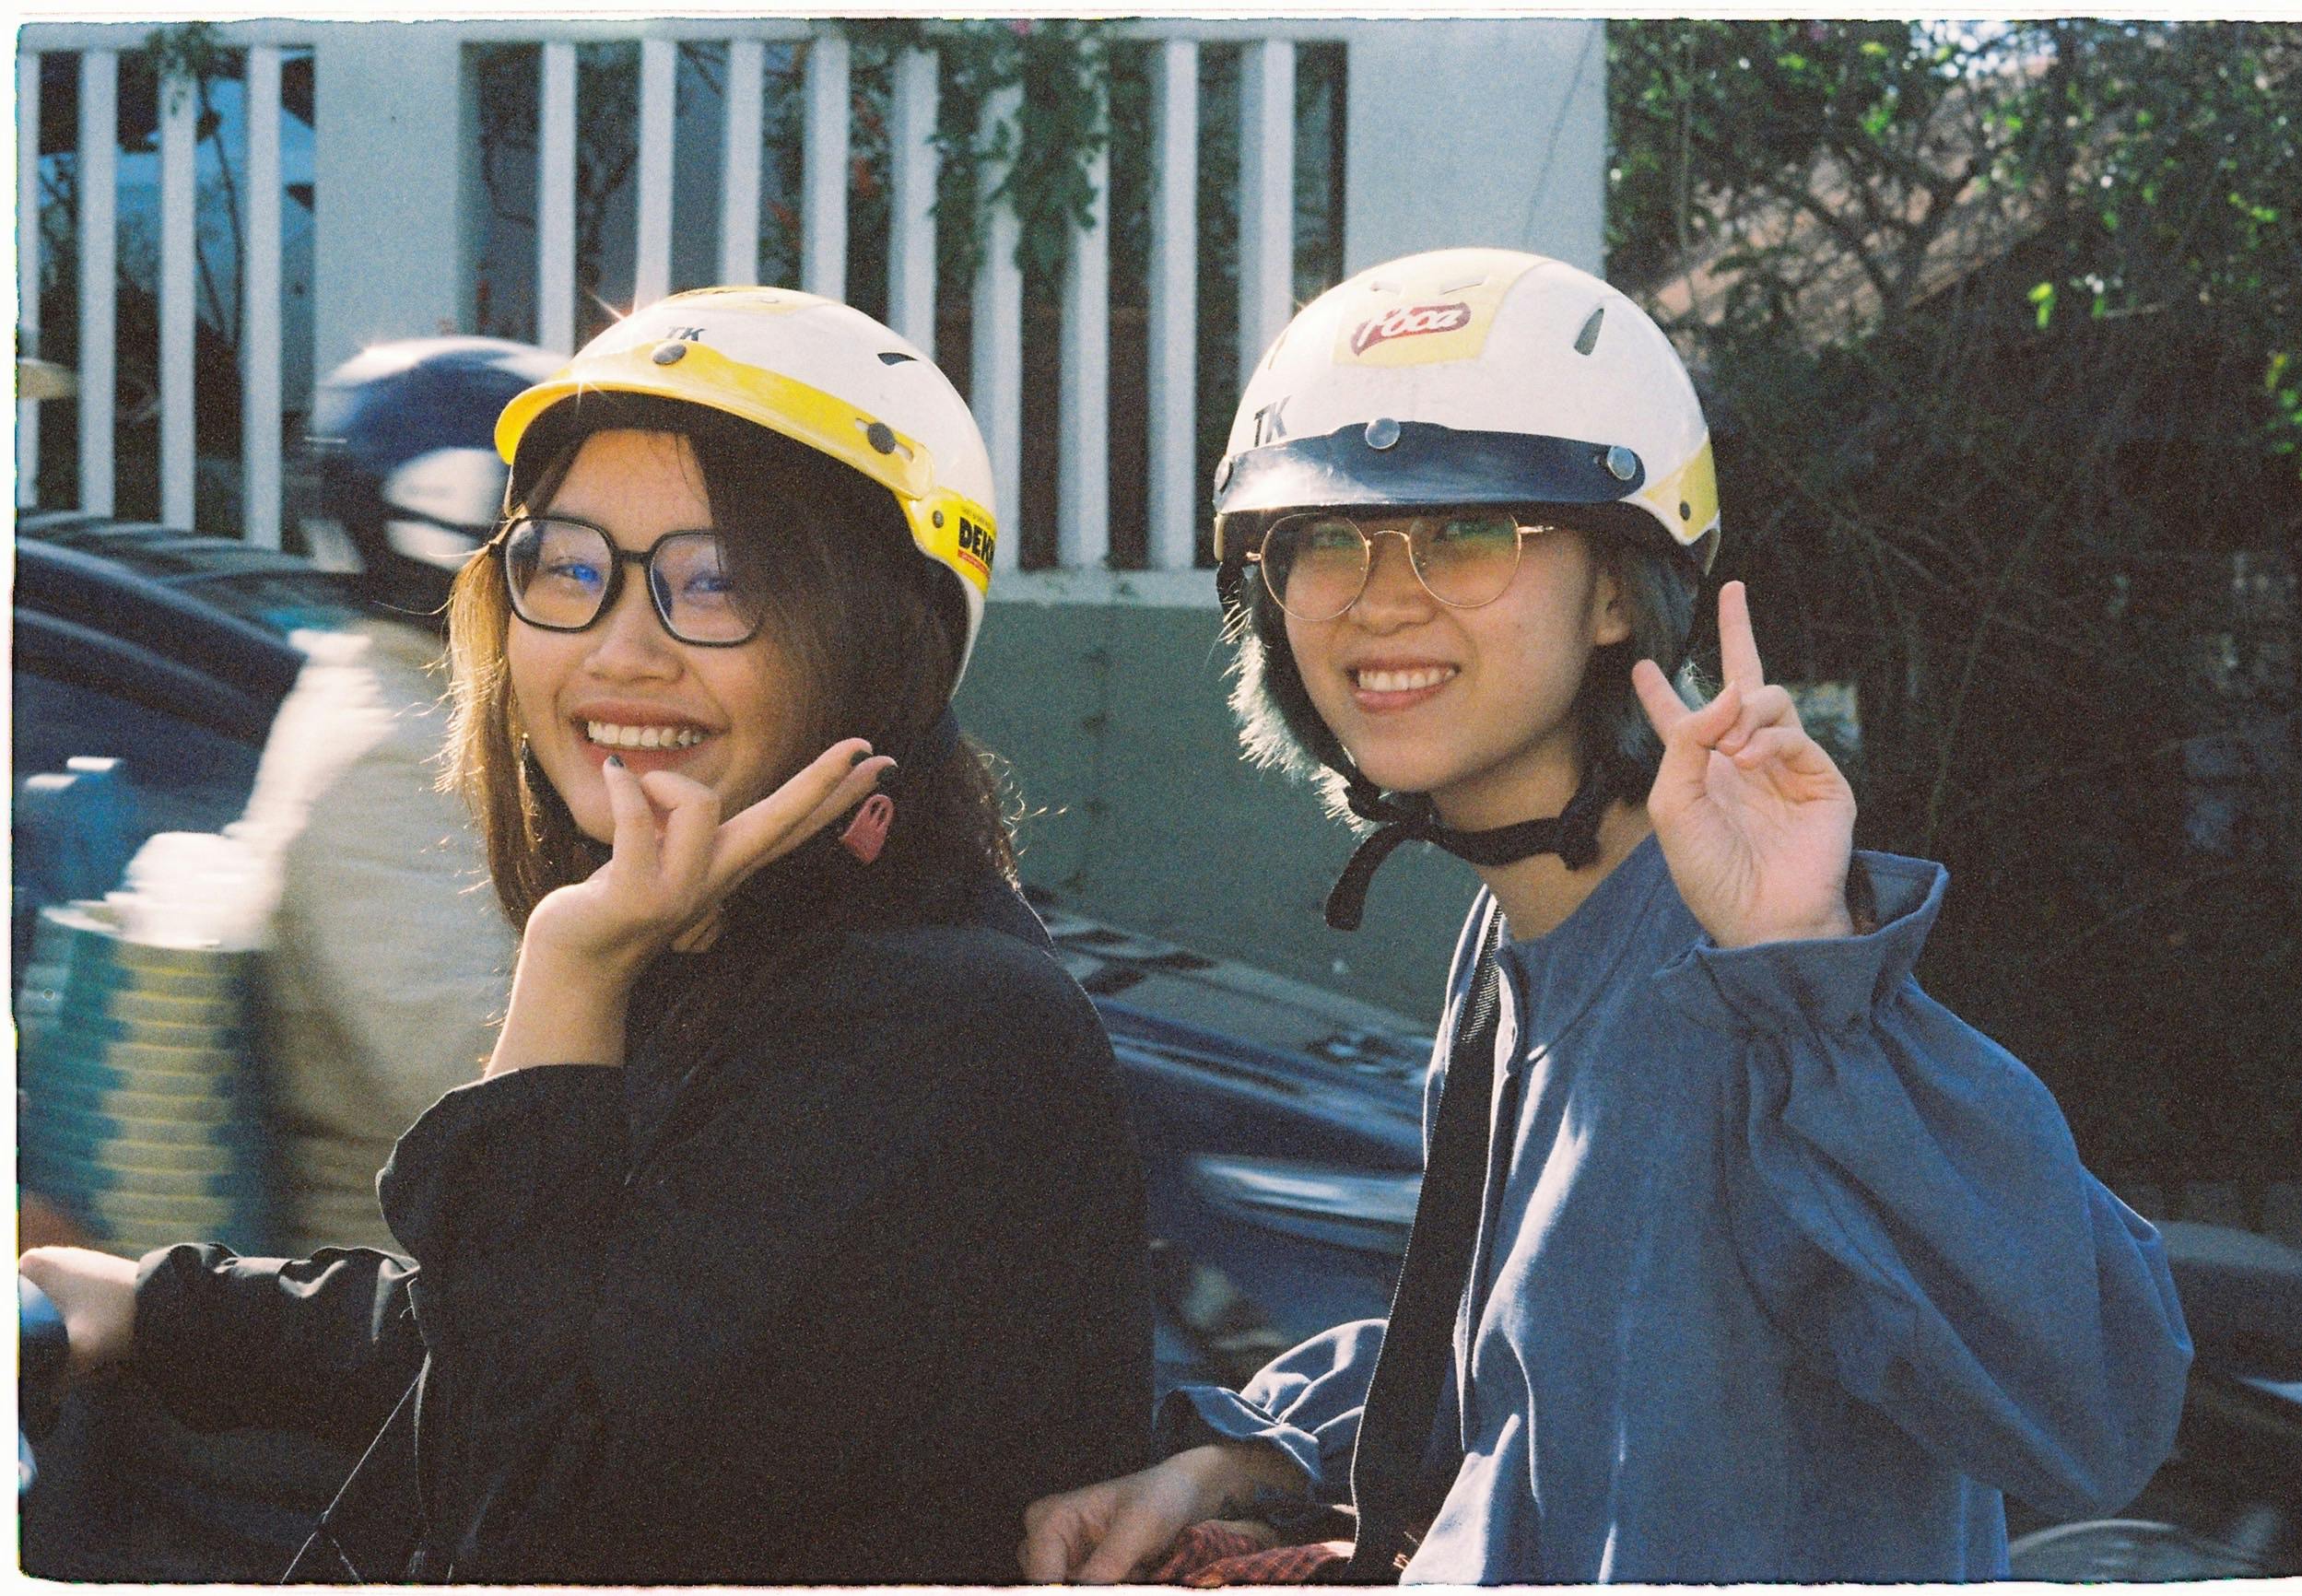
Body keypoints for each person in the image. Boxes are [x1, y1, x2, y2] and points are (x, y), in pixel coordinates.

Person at [1017, 248, 2191, 1584]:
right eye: (1325, 540)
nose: (1381, 595)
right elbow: (1539, 1365)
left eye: (1469, 532)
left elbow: (2094, 1404)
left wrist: (1807, 981)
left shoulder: (1746, 970)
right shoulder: (1529, 939)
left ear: (1622, 591)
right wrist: (1256, 1452)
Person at [21, 287, 1154, 1585]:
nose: (620, 651)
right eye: (567, 568)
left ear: (881, 640)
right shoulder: (749, 943)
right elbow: (545, 1328)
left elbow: (523, 1502)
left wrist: (569, 977)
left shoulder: (925, 1024)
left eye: (717, 581)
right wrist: (161, 1308)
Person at [266, 334, 558, 1257]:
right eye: (563, 536)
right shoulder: (382, 760)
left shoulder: (440, 708)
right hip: (410, 1325)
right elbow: (485, 1100)